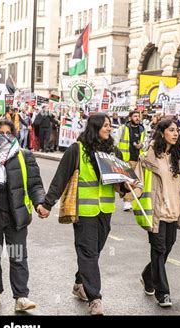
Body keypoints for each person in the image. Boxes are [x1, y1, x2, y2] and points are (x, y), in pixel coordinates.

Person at [39, 113, 129, 315]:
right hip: (84, 212)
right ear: (95, 127)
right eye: (105, 125)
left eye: (110, 126)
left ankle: (80, 282)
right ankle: (95, 299)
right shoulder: (76, 150)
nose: (109, 129)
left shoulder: (114, 152)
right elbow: (60, 178)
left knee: (93, 253)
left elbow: (121, 182)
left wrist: (127, 187)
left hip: (105, 210)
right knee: (88, 253)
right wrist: (47, 204)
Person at [132, 119, 180, 307]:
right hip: (156, 212)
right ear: (162, 133)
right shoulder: (149, 158)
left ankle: (147, 275)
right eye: (171, 130)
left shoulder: (179, 157)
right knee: (159, 250)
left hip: (174, 211)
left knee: (167, 248)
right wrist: (127, 191)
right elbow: (137, 182)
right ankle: (163, 293)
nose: (176, 133)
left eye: (177, 130)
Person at [0, 119, 45, 312]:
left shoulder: (24, 156)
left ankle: (21, 297)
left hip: (16, 214)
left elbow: (35, 185)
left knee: (18, 256)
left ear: (14, 135)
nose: (4, 136)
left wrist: (40, 204)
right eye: (0, 133)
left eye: (8, 133)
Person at [118, 111, 145, 212]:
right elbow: (116, 142)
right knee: (127, 181)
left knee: (135, 182)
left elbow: (146, 142)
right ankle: (127, 201)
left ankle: (130, 200)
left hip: (137, 159)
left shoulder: (142, 129)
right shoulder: (123, 128)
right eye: (135, 116)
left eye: (138, 116)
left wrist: (141, 145)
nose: (137, 118)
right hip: (125, 159)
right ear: (130, 118)